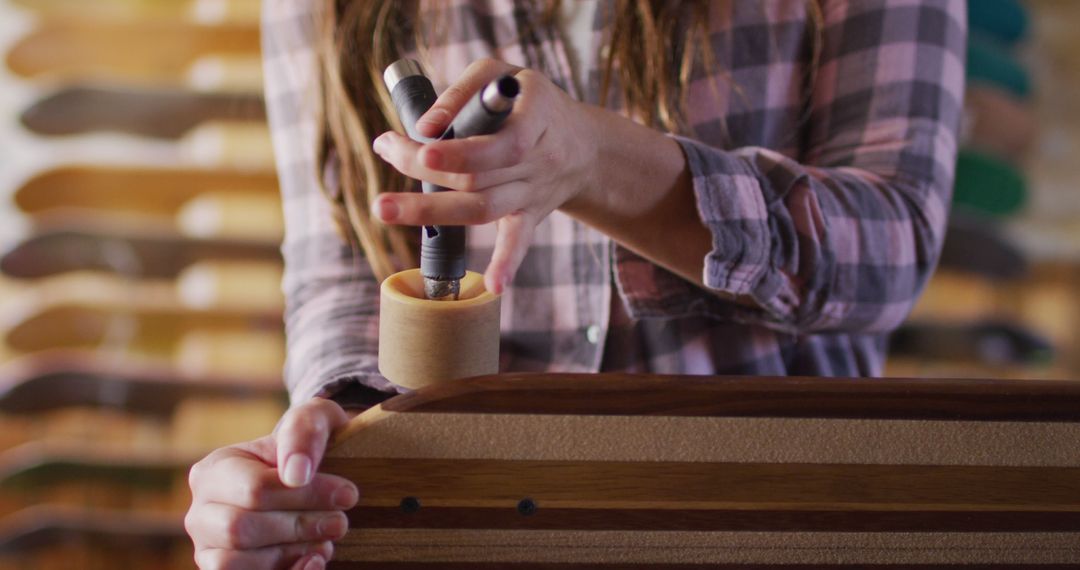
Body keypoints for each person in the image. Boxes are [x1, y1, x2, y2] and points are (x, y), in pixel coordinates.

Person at [185, 1, 965, 568]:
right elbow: (344, 263)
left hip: (772, 523)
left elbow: (891, 250)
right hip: (469, 535)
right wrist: (325, 450)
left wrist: (598, 160)